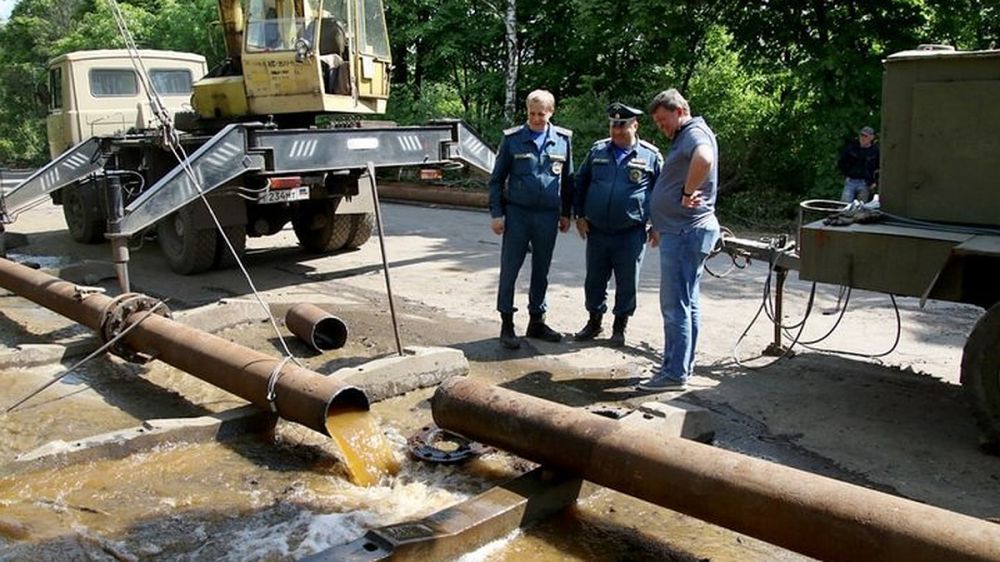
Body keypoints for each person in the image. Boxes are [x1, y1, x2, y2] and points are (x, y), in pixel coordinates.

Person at [639, 88, 720, 392]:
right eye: (657, 123)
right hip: (682, 229)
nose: (662, 127)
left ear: (680, 110)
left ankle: (673, 374)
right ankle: (680, 365)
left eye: (664, 120)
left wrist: (687, 193)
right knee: (687, 303)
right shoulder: (686, 135)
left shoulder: (694, 133)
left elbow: (705, 158)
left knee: (675, 306)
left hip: (687, 232)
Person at [488, 89, 574, 349]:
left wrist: (566, 213)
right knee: (510, 270)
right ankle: (507, 323)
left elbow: (568, 180)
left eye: (541, 113)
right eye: (532, 113)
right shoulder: (513, 139)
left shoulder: (562, 140)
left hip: (547, 216)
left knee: (542, 270)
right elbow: (496, 180)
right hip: (518, 214)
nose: (536, 118)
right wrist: (497, 214)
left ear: (551, 112)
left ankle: (537, 320)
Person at [573, 102, 661, 347]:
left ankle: (620, 326)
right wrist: (579, 215)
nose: (617, 131)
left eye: (622, 126)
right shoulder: (597, 151)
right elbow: (581, 183)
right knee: (594, 279)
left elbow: (661, 192)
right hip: (598, 229)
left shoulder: (650, 156)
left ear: (635, 125)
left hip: (631, 231)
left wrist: (657, 225)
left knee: (627, 281)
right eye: (613, 126)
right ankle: (594, 321)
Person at [837, 126, 879, 203]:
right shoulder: (852, 147)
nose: (862, 138)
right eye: (861, 135)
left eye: (865, 136)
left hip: (865, 182)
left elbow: (877, 167)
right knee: (844, 205)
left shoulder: (875, 151)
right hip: (850, 180)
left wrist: (873, 182)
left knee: (861, 207)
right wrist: (846, 173)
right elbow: (842, 162)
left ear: (871, 137)